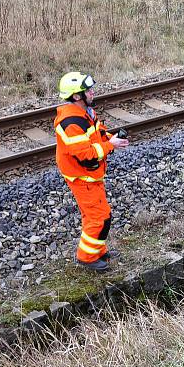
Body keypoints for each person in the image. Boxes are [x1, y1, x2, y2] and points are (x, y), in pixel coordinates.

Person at [54, 72, 129, 272]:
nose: (92, 92)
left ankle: (96, 250)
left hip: (90, 175)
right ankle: (86, 257)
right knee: (99, 217)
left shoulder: (86, 112)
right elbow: (85, 153)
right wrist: (110, 146)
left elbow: (97, 132)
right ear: (77, 96)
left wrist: (111, 137)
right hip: (82, 177)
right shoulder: (71, 123)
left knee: (96, 215)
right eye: (88, 90)